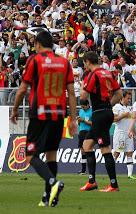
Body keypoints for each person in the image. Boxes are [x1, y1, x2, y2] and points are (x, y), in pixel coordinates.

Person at [10, 30, 77, 207]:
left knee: (30, 155)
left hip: (39, 113)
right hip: (58, 114)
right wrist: (74, 120)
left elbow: (23, 89)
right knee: (51, 155)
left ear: (38, 44)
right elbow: (71, 93)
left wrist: (15, 109)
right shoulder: (64, 62)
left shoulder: (35, 60)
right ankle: (49, 198)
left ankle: (53, 182)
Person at [80, 51, 122, 192]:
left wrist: (82, 85)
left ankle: (113, 184)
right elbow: (119, 94)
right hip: (106, 112)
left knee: (104, 148)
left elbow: (83, 97)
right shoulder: (108, 73)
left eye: (84, 62)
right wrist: (108, 105)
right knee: (87, 145)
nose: (84, 65)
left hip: (99, 114)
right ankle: (91, 181)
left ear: (87, 62)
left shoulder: (92, 74)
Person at [112, 91, 136, 180]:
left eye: (130, 98)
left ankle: (130, 175)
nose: (129, 100)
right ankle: (110, 172)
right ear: (122, 98)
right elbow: (113, 119)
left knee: (130, 153)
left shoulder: (130, 108)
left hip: (128, 133)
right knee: (117, 153)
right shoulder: (117, 107)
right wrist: (123, 115)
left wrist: (134, 133)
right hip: (120, 133)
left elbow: (132, 121)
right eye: (128, 98)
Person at [77, 99, 92, 175]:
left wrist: (84, 120)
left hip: (88, 132)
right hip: (81, 132)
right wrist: (79, 121)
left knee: (88, 150)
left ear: (87, 105)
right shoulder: (80, 111)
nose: (82, 108)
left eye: (83, 107)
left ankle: (91, 170)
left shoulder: (92, 111)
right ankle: (83, 170)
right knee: (82, 151)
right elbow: (79, 124)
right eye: (81, 107)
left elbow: (93, 123)